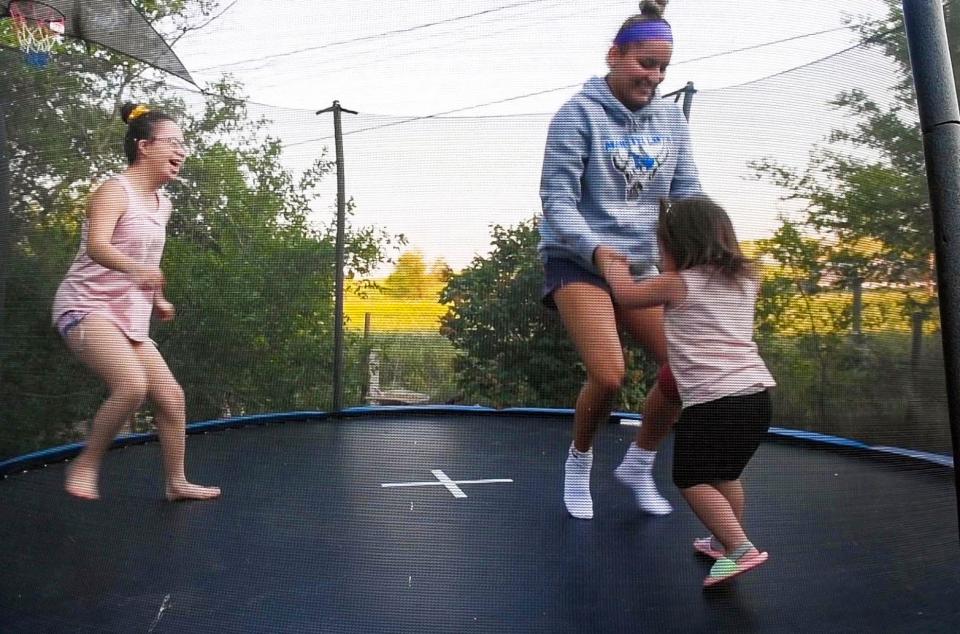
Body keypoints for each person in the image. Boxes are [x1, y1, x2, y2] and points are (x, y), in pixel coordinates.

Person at [538, 0, 701, 519]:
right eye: (644, 63)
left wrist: (704, 251)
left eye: (662, 68)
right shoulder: (577, 115)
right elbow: (557, 200)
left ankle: (638, 462)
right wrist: (597, 251)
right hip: (579, 262)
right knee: (609, 374)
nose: (653, 76)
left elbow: (690, 193)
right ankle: (579, 462)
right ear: (615, 55)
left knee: (684, 368)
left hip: (639, 264)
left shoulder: (671, 120)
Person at [602, 196, 776, 587]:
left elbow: (626, 297)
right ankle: (722, 540)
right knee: (725, 475)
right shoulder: (747, 280)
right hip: (756, 396)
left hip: (714, 401)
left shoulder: (678, 283)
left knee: (691, 479)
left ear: (677, 247)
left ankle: (739, 547)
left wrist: (614, 268)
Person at [52, 102, 220, 502]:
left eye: (184, 145)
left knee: (171, 397)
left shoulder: (163, 205)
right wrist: (136, 271)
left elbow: (148, 263)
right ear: (145, 146)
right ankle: (87, 463)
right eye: (174, 143)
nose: (181, 152)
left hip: (126, 314)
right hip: (84, 305)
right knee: (131, 385)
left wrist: (157, 297)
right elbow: (97, 247)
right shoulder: (115, 190)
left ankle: (176, 483)